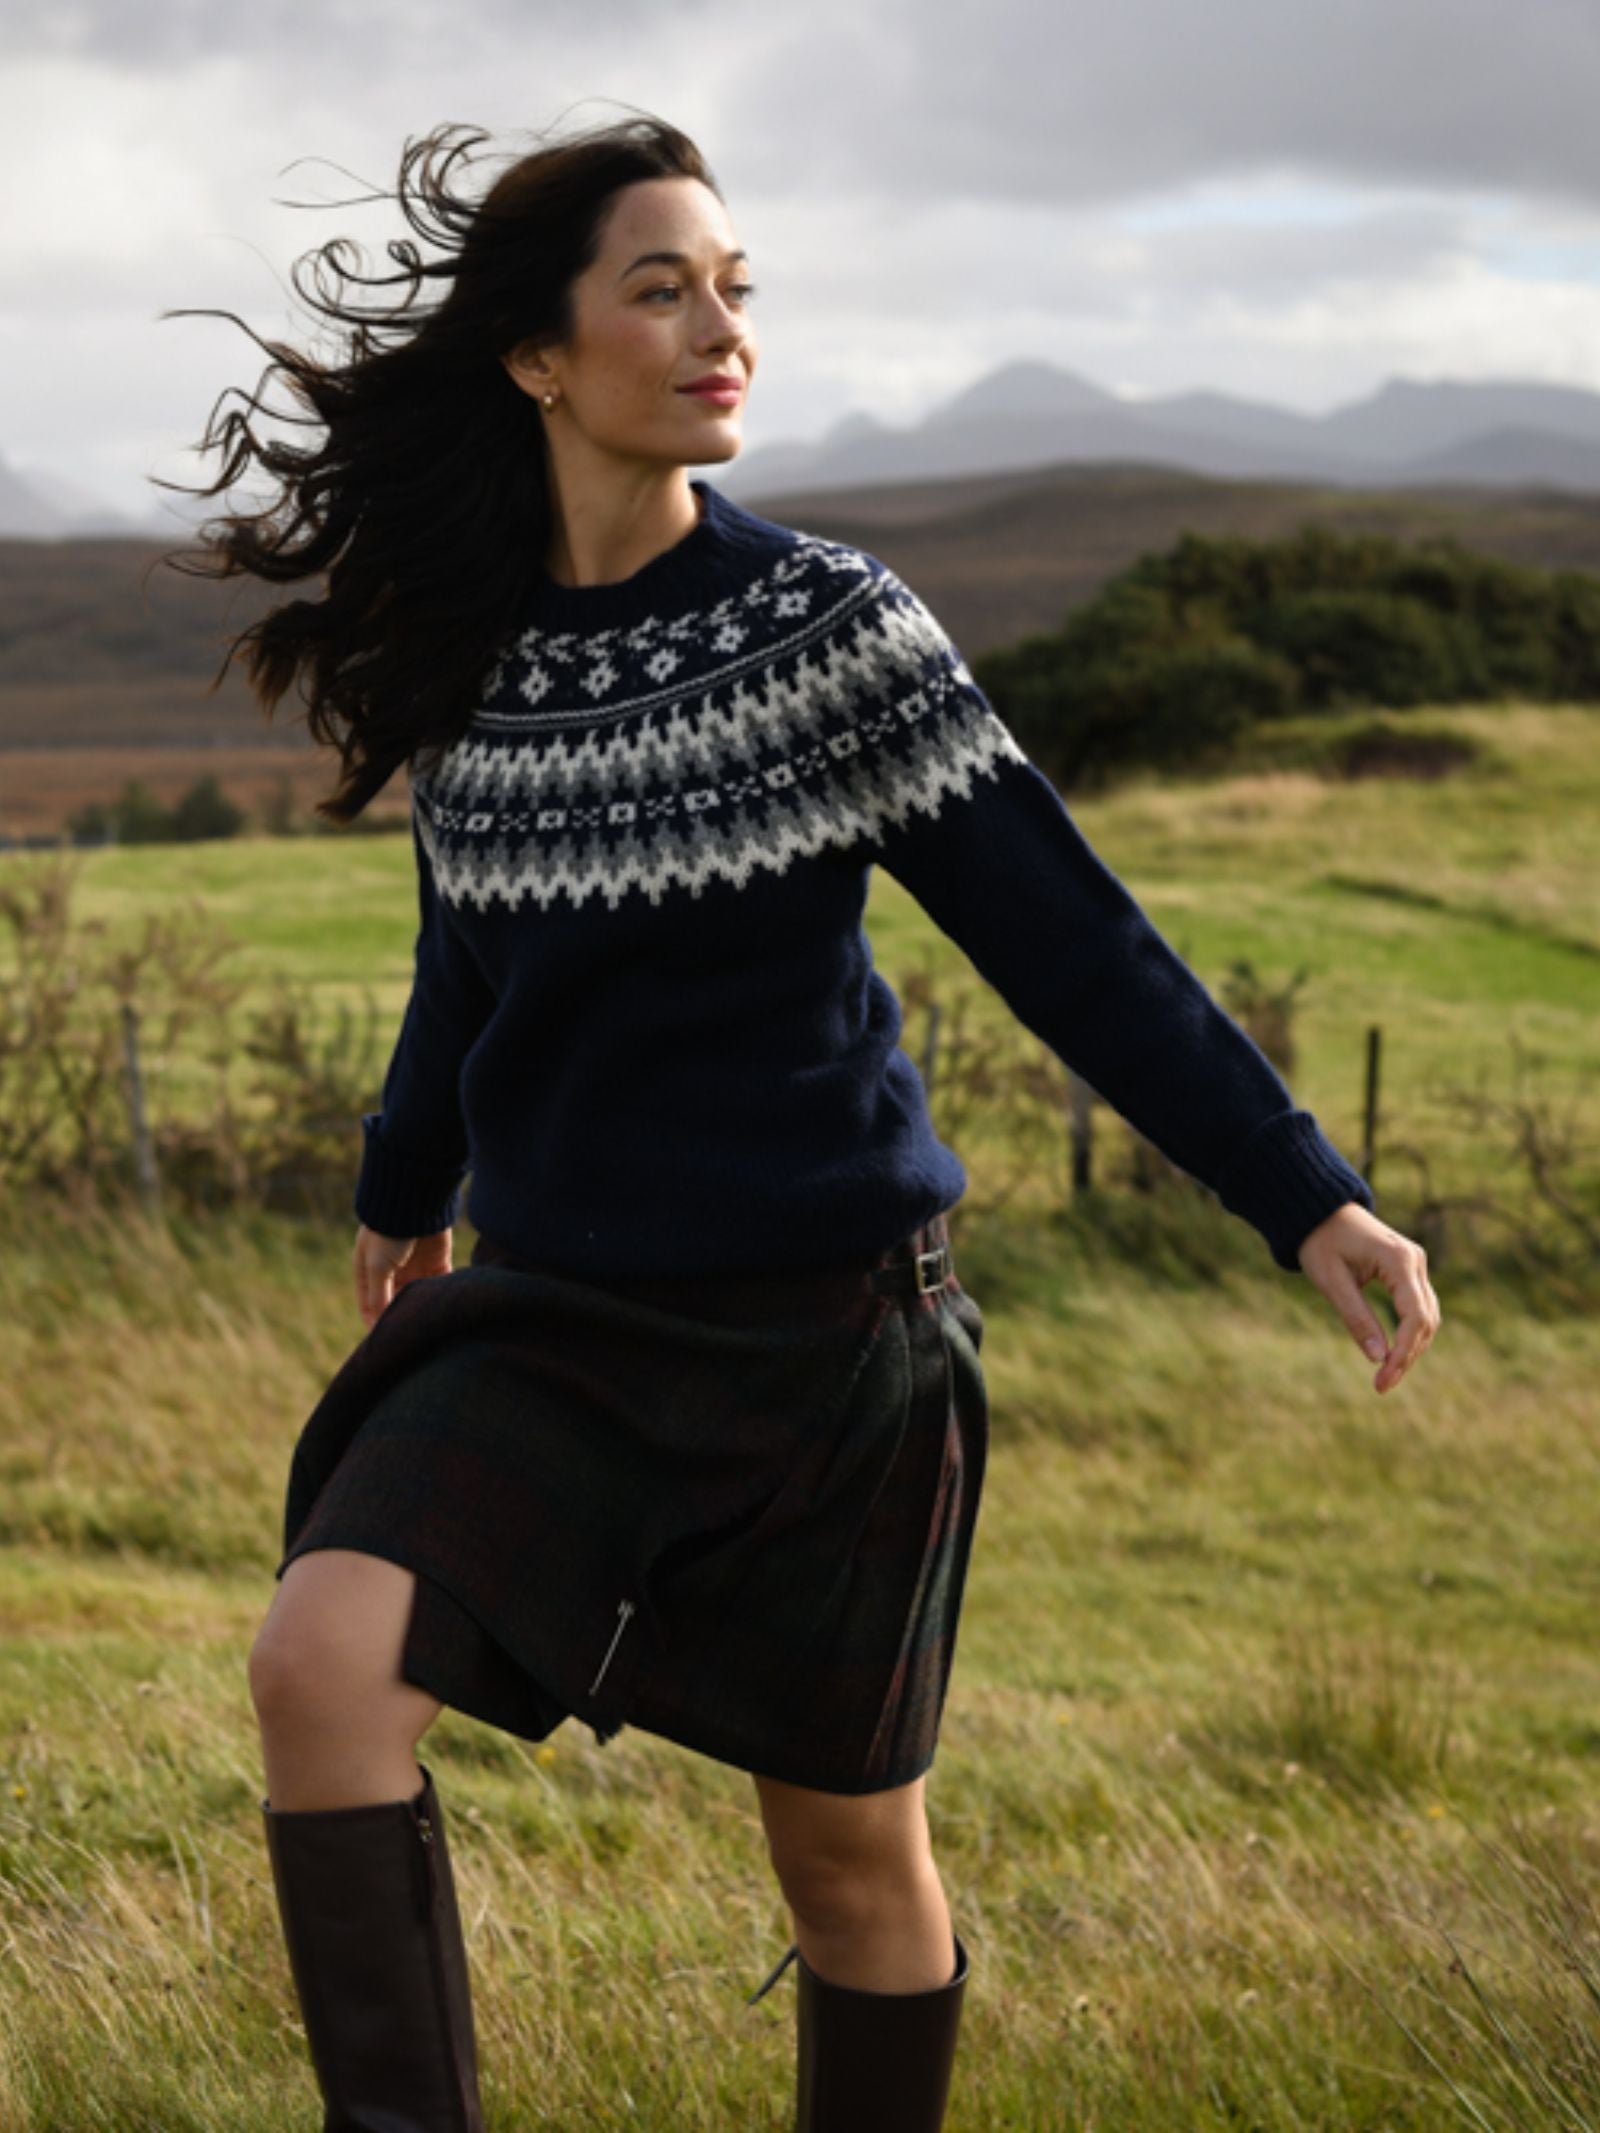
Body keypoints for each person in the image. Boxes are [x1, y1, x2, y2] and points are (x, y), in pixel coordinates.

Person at [159, 109, 1440, 2133]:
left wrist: (1308, 1198)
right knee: (321, 1657)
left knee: (844, 1861)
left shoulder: (833, 628)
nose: (716, 327)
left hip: (828, 1334)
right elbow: (470, 964)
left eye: (735, 288)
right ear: (538, 355)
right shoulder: (480, 674)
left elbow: (1076, 945)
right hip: (558, 1315)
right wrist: (402, 1191)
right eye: (657, 288)